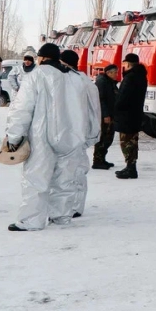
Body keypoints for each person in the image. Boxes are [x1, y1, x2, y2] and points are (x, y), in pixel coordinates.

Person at [5, 43, 85, 231]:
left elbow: (22, 109)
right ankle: (61, 216)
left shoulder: (35, 76)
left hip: (41, 136)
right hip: (71, 136)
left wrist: (14, 136)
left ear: (41, 58)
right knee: (65, 178)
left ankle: (32, 220)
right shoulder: (74, 78)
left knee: (36, 178)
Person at [60, 50, 101, 218]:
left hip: (78, 134)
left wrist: (91, 134)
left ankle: (75, 206)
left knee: (76, 171)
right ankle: (69, 205)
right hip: (70, 133)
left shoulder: (82, 82)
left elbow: (93, 110)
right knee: (70, 171)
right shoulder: (78, 80)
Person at [114, 53, 147, 180]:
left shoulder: (130, 78)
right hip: (135, 113)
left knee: (126, 141)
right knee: (133, 141)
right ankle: (131, 166)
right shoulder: (141, 76)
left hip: (126, 115)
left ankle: (130, 168)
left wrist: (115, 109)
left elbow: (123, 96)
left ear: (127, 64)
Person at [93, 64, 119, 170]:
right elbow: (101, 99)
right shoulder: (102, 82)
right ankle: (98, 161)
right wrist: (105, 114)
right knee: (103, 137)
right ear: (108, 73)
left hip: (111, 113)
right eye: (115, 72)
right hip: (105, 115)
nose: (116, 75)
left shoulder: (110, 82)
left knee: (108, 137)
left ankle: (102, 159)